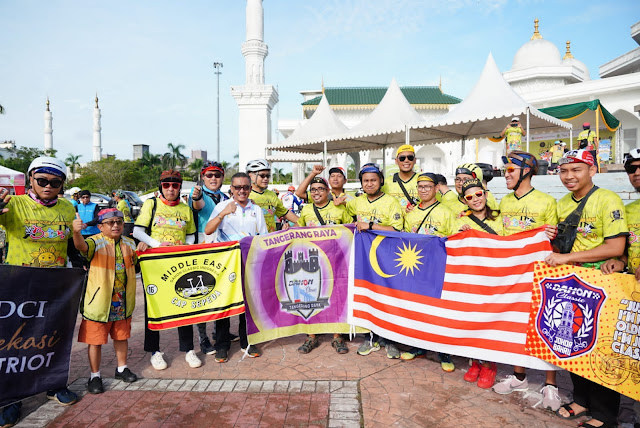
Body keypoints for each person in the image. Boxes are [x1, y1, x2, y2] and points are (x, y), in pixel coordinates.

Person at [546, 150, 627, 428]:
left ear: (592, 171)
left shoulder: (608, 199)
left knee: (602, 351)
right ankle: (581, 400)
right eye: (564, 171)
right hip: (572, 284)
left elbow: (616, 247)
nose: (569, 176)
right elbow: (562, 246)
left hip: (603, 285)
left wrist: (565, 258)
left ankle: (605, 415)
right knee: (575, 343)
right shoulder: (561, 203)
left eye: (576, 170)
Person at [0, 156, 79, 427]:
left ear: (62, 185)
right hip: (19, 283)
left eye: (55, 182)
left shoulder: (68, 208)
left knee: (53, 337)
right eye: (42, 180)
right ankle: (10, 399)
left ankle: (54, 385)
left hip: (55, 285)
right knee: (13, 341)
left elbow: (73, 243)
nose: (48, 186)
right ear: (30, 178)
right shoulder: (15, 203)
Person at [492, 151, 560, 411]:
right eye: (505, 169)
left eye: (511, 169)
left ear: (526, 171)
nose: (506, 174)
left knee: (544, 326)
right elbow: (501, 236)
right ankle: (519, 376)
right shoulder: (506, 201)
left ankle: (550, 384)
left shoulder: (546, 201)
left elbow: (551, 241)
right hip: (513, 274)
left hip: (540, 275)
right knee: (516, 325)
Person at [133, 169, 200, 370]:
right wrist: (156, 244)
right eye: (166, 185)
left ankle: (188, 349)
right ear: (160, 186)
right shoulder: (151, 204)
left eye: (175, 185)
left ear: (180, 187)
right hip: (155, 264)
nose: (171, 189)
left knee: (184, 303)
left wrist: (185, 247)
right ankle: (155, 351)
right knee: (154, 307)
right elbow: (137, 230)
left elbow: (191, 234)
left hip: (178, 263)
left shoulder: (185, 208)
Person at [72, 208, 139, 394]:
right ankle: (95, 376)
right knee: (95, 341)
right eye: (111, 222)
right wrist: (76, 232)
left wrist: (143, 249)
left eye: (119, 222)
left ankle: (121, 368)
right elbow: (81, 247)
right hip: (99, 302)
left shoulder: (130, 243)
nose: (116, 225)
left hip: (123, 302)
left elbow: (139, 263)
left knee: (122, 337)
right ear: (101, 226)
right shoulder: (95, 242)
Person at [204, 172, 267, 362]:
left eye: (245, 187)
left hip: (249, 261)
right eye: (237, 187)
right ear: (231, 189)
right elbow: (208, 230)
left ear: (250, 188)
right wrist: (223, 214)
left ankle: (247, 342)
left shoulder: (256, 210)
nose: (242, 191)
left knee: (248, 304)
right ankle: (222, 345)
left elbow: (262, 236)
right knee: (225, 303)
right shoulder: (221, 206)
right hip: (225, 263)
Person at [347, 163, 404, 359]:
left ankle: (390, 339)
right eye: (365, 181)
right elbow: (346, 219)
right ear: (361, 183)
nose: (369, 184)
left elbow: (397, 230)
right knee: (367, 294)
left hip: (387, 256)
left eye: (373, 180)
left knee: (387, 295)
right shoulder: (356, 202)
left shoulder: (391, 202)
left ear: (380, 180)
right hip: (364, 257)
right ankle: (370, 337)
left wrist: (370, 225)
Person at [401, 172, 456, 372]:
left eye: (427, 186)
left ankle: (443, 351)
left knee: (439, 310)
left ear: (436, 188)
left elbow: (454, 240)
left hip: (438, 268)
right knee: (418, 308)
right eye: (420, 186)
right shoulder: (411, 213)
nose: (423, 190)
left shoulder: (446, 212)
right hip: (416, 269)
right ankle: (418, 346)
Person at [296, 176, 353, 355]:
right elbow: (297, 232)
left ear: (328, 191)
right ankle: (311, 336)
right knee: (311, 297)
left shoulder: (339, 208)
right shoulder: (306, 210)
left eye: (321, 189)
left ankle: (337, 336)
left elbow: (351, 229)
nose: (317, 192)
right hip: (313, 262)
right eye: (313, 190)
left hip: (337, 261)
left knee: (337, 297)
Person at [455, 178, 502, 389]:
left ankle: (490, 365)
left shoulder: (501, 219)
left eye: (478, 194)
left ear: (486, 194)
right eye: (469, 197)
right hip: (471, 278)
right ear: (464, 201)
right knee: (471, 319)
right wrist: (460, 235)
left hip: (495, 278)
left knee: (490, 322)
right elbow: (451, 245)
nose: (475, 199)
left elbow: (512, 242)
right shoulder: (460, 221)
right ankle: (474, 362)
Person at [188, 161, 232, 355]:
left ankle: (218, 331)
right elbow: (197, 205)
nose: (213, 178)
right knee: (201, 293)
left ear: (222, 177)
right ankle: (203, 338)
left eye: (217, 175)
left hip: (220, 247)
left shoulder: (224, 196)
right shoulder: (198, 193)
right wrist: (196, 196)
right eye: (209, 175)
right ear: (202, 177)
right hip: (202, 247)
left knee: (220, 291)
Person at [246, 159, 298, 232]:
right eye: (262, 176)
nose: (266, 179)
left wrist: (302, 222)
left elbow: (285, 213)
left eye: (268, 176)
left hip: (270, 240)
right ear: (250, 175)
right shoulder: (245, 195)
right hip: (253, 240)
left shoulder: (272, 195)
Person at [382, 144, 419, 211]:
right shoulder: (386, 183)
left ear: (415, 160)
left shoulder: (423, 180)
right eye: (402, 158)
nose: (406, 160)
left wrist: (418, 209)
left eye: (410, 157)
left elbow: (433, 203)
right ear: (396, 161)